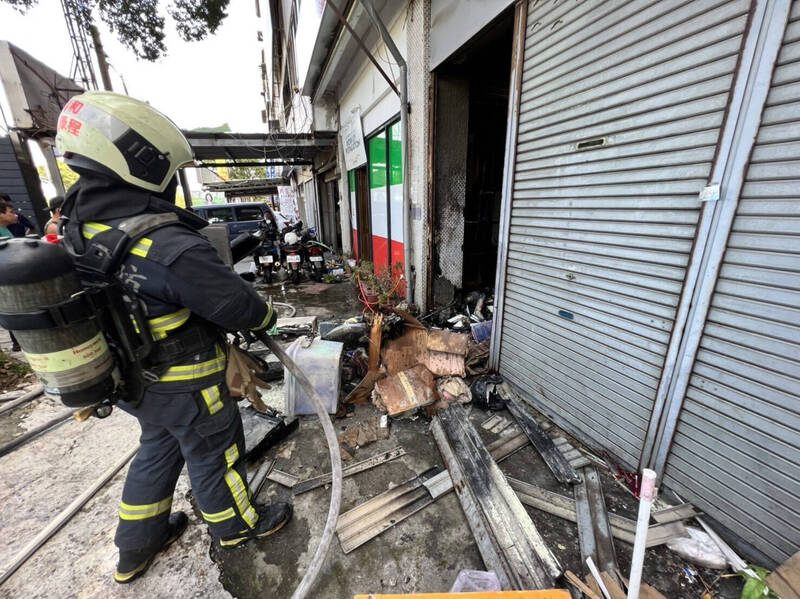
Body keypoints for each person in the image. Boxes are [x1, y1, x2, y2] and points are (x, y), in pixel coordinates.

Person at [54, 91, 292, 584]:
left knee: (157, 450)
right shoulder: (163, 243)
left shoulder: (81, 225)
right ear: (141, 162)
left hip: (136, 382)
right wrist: (267, 317)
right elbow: (242, 307)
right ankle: (237, 529)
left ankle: (136, 547)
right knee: (216, 455)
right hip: (189, 383)